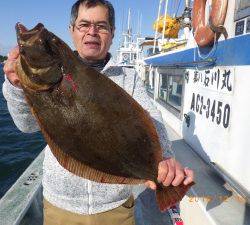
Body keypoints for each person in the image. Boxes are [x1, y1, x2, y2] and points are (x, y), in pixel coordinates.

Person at [2, 0, 194, 224]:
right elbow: (26, 126)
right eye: (84, 24)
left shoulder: (128, 77)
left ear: (112, 33)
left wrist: (165, 160)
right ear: (72, 31)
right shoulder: (43, 78)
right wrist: (17, 87)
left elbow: (152, 118)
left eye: (101, 26)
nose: (92, 32)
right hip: (61, 203)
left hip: (115, 206)